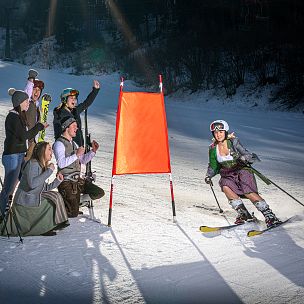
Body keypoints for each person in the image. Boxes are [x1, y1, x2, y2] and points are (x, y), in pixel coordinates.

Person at [205, 119, 281, 228]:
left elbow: (250, 155)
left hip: (242, 170)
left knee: (248, 191)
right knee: (225, 186)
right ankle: (245, 215)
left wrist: (243, 158)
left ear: (225, 132)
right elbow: (213, 165)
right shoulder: (212, 148)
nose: (218, 135)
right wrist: (209, 175)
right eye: (216, 132)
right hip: (227, 173)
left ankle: (270, 216)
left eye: (221, 132)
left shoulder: (233, 142)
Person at [1, 142, 69, 236]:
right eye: (49, 149)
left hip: (31, 200)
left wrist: (57, 180)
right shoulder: (33, 164)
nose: (52, 151)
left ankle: (45, 227)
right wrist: (49, 171)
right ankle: (43, 228)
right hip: (24, 203)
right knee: (50, 203)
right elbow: (32, 184)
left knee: (55, 196)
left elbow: (44, 187)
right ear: (42, 152)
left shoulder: (40, 165)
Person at [0, 89, 48, 215]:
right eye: (26, 101)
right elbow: (24, 136)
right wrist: (39, 126)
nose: (28, 103)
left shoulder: (20, 116)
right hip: (12, 156)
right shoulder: (13, 117)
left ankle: (12, 205)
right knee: (8, 187)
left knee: (23, 178)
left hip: (19, 155)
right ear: (19, 102)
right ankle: (1, 212)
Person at [53, 116, 104, 218]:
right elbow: (61, 163)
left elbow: (82, 160)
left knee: (98, 192)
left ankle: (76, 202)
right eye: (74, 126)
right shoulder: (59, 143)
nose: (76, 128)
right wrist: (76, 155)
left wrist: (93, 151)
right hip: (66, 183)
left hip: (77, 181)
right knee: (72, 214)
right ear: (66, 127)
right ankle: (60, 202)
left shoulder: (74, 144)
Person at [53, 80, 101, 146]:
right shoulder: (59, 114)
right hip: (68, 149)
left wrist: (95, 90)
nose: (74, 100)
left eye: (75, 98)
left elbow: (86, 103)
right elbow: (58, 133)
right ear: (64, 100)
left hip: (79, 148)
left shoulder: (75, 110)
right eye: (71, 98)